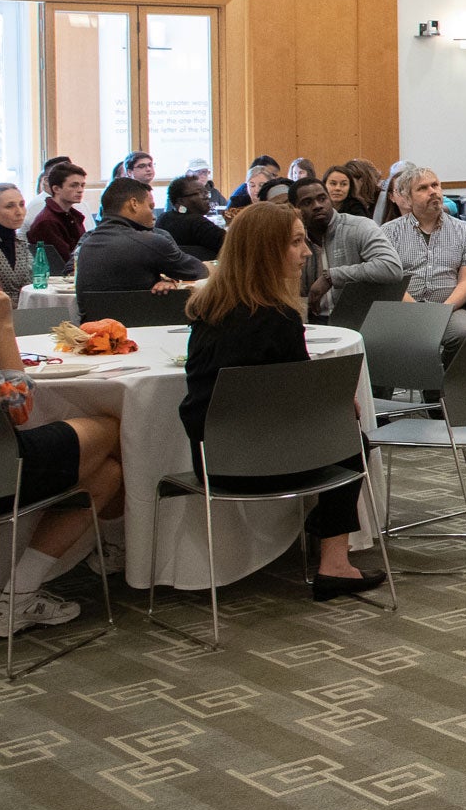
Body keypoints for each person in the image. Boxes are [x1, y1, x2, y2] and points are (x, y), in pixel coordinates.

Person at [176, 204, 383, 603]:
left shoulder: (206, 311)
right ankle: (334, 563)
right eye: (296, 242)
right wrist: (339, 402)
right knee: (352, 440)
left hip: (213, 463)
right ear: (264, 251)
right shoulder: (277, 317)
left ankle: (318, 531)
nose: (306, 252)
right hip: (269, 465)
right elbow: (300, 397)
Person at [0, 215, 125, 639]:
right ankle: (115, 552)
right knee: (110, 427)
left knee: (107, 473)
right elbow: (19, 408)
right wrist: (3, 326)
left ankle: (18, 598)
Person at [381, 168, 466, 346]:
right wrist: (418, 312)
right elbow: (390, 282)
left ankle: (447, 366)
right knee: (388, 338)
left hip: (450, 307)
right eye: (422, 188)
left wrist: (443, 311)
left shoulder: (464, 230)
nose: (433, 191)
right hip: (404, 307)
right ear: (408, 199)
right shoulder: (389, 232)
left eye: (435, 185)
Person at [288, 175, 403, 321]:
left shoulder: (359, 226)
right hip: (313, 322)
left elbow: (391, 267)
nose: (317, 205)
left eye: (322, 198)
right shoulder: (295, 240)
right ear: (295, 209)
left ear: (330, 199)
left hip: (357, 320)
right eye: (307, 202)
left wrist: (331, 277)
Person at [73, 176, 209, 294]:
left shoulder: (86, 244)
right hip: (145, 316)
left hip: (92, 317)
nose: (153, 214)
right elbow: (200, 272)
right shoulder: (150, 242)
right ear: (134, 204)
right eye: (150, 207)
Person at [27, 161, 89, 273]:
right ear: (56, 189)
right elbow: (65, 262)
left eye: (82, 185)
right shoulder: (47, 221)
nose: (80, 190)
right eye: (74, 185)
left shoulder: (73, 216)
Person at [149, 174, 225, 264]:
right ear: (181, 200)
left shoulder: (163, 218)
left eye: (206, 192)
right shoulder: (197, 222)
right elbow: (232, 244)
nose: (206, 197)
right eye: (199, 193)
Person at [0, 183, 35, 298]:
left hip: (23, 303)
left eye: (22, 205)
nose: (19, 212)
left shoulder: (20, 241)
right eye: (10, 206)